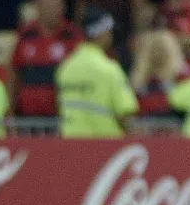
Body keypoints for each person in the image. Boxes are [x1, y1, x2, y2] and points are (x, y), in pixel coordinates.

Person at [56, 10, 138, 138]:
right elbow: (125, 114)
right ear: (101, 33)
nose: (111, 36)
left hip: (71, 142)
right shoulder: (109, 69)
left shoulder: (65, 68)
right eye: (109, 31)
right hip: (105, 144)